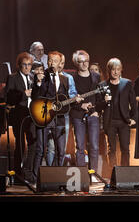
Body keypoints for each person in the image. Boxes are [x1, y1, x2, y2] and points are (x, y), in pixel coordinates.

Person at [31, 51, 81, 183]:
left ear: (60, 63)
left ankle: (57, 179)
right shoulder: (42, 76)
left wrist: (75, 100)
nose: (51, 62)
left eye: (54, 60)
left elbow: (64, 100)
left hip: (59, 118)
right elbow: (35, 97)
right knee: (41, 149)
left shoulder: (64, 79)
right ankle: (35, 180)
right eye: (50, 60)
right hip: (43, 116)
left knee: (60, 151)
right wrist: (38, 83)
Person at [70, 50, 102, 173]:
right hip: (78, 115)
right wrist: (81, 106)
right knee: (80, 147)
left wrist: (96, 111)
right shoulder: (72, 78)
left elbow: (99, 97)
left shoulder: (96, 76)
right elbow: (70, 99)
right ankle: (81, 174)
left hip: (92, 114)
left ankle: (93, 173)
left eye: (86, 61)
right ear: (76, 63)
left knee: (94, 146)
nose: (84, 64)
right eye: (81, 61)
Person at [5, 52, 35, 181]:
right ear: (19, 65)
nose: (27, 67)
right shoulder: (13, 78)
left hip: (32, 115)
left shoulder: (33, 78)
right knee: (21, 144)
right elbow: (9, 97)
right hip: (19, 115)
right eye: (24, 65)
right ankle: (18, 174)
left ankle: (29, 171)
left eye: (29, 65)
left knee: (34, 143)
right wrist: (24, 94)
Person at [100, 58, 137, 167]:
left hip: (124, 121)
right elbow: (98, 105)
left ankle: (125, 174)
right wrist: (104, 101)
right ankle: (113, 174)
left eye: (118, 69)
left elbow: (133, 102)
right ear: (109, 70)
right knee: (112, 149)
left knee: (125, 148)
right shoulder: (102, 85)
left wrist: (134, 118)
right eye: (113, 69)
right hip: (110, 121)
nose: (116, 72)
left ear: (121, 70)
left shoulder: (127, 83)